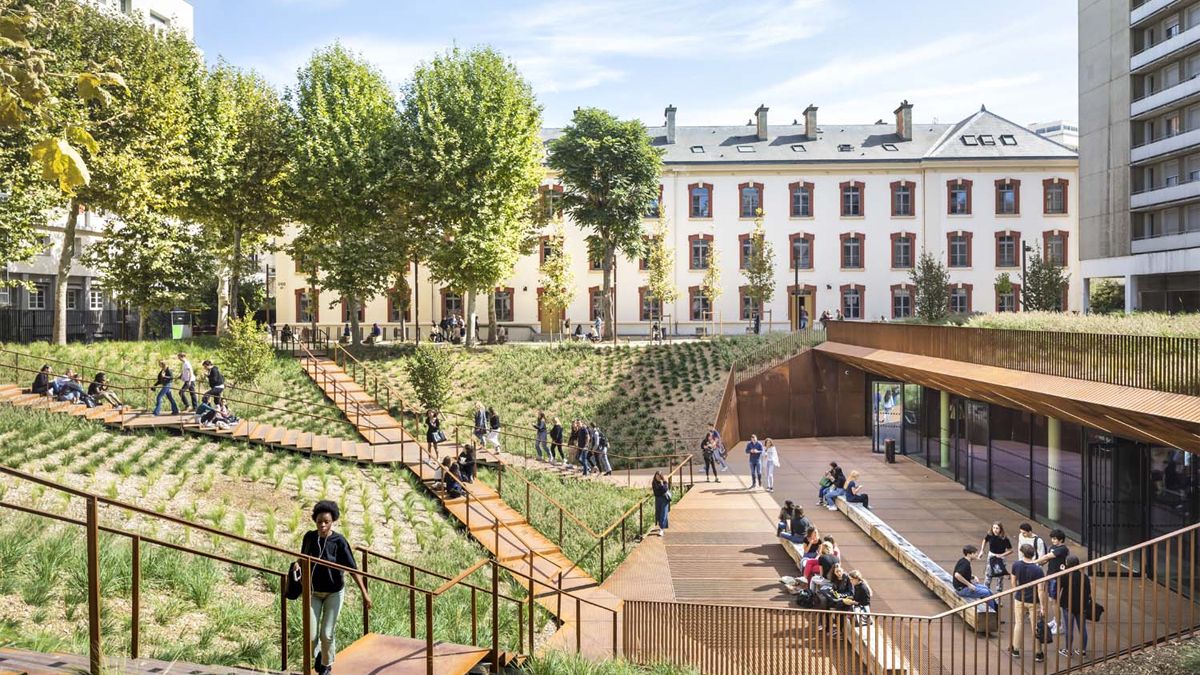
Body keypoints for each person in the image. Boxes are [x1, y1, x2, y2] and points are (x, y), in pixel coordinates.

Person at [299, 500, 372, 675]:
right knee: (311, 635)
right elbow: (302, 558)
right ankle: (318, 656)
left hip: (334, 593)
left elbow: (353, 569)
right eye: (319, 522)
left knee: (326, 634)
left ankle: (326, 665)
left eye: (326, 521)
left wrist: (364, 594)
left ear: (333, 521)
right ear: (314, 521)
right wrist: (297, 566)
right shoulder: (309, 537)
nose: (322, 525)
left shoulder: (339, 541)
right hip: (313, 592)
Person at [1009, 543, 1050, 663]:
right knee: (1036, 627)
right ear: (1033, 555)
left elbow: (1013, 581)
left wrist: (1017, 592)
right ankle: (1038, 653)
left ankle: (1015, 649)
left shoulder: (1016, 565)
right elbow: (1040, 589)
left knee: (1019, 623)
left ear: (1022, 553)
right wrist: (1042, 606)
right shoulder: (1038, 570)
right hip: (1033, 601)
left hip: (1019, 598)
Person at [1035, 529, 1071, 632]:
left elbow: (1047, 556)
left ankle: (1059, 625)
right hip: (1050, 575)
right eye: (1052, 538)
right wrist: (1040, 564)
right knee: (1052, 600)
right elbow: (1047, 559)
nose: (1053, 540)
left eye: (1055, 538)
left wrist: (1034, 561)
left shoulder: (1063, 549)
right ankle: (1056, 620)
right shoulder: (1052, 547)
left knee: (1054, 601)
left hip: (1057, 577)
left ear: (1060, 539)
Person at [1059, 555, 1092, 658]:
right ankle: (1082, 651)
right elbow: (1089, 592)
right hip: (1081, 606)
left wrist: (1063, 571)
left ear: (1067, 564)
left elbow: (1058, 588)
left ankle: (1068, 650)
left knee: (1069, 629)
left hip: (1068, 605)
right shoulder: (1084, 577)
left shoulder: (1065, 576)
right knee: (1082, 628)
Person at [953, 544, 998, 611]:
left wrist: (973, 577)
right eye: (974, 553)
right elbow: (957, 575)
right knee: (986, 593)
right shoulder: (965, 564)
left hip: (964, 586)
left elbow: (964, 574)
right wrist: (969, 585)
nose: (976, 554)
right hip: (962, 589)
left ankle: (995, 607)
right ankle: (993, 612)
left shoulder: (963, 560)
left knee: (987, 589)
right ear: (969, 554)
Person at [979, 522, 1014, 593]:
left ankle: (998, 597)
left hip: (1000, 558)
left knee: (999, 577)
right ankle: (985, 593)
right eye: (994, 528)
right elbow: (985, 540)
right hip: (991, 556)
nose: (995, 530)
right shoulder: (990, 535)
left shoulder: (1004, 538)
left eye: (997, 528)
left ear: (1000, 529)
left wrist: (1002, 555)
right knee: (988, 575)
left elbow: (1010, 550)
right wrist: (982, 550)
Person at [650, 471, 670, 537]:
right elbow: (656, 493)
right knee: (658, 513)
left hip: (664, 499)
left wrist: (661, 485)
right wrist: (661, 490)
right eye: (656, 476)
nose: (657, 477)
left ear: (661, 476)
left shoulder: (664, 482)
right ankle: (662, 525)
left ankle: (661, 529)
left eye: (659, 476)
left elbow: (665, 489)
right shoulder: (654, 483)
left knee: (663, 513)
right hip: (658, 499)